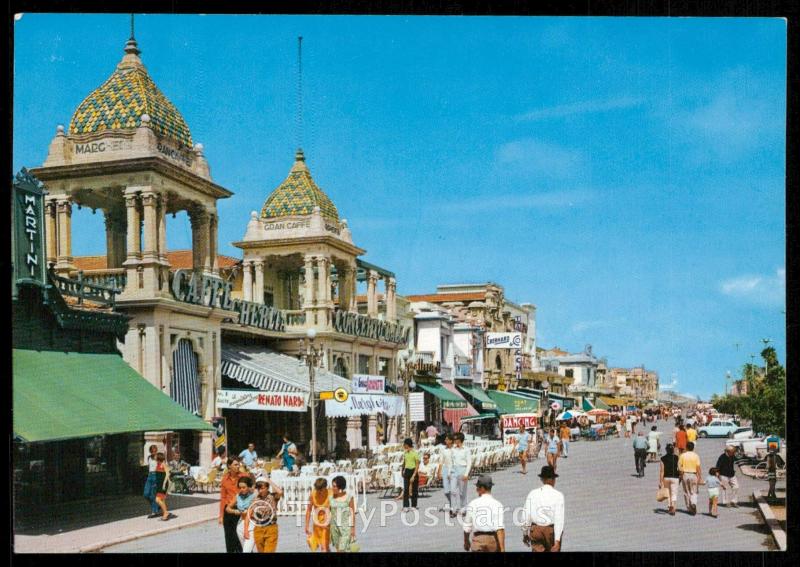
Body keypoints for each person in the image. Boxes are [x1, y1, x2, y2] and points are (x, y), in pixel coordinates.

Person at [522, 466, 564, 552]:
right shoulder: (558, 495)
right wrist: (557, 541)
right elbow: (559, 519)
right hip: (550, 531)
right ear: (553, 479)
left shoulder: (532, 493)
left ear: (542, 479)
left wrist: (525, 533)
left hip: (536, 530)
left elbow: (526, 515)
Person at [462, 475, 505, 552]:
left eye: (477, 488)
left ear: (482, 488)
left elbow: (467, 527)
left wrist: (466, 542)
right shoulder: (497, 504)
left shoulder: (473, 504)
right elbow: (500, 529)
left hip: (478, 540)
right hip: (492, 541)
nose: (476, 490)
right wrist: (502, 549)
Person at [244, 475, 283, 553]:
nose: (260, 491)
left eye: (262, 488)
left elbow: (280, 492)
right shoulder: (255, 499)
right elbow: (248, 515)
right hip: (258, 529)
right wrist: (246, 530)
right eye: (258, 489)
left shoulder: (273, 496)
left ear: (267, 488)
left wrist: (268, 480)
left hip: (271, 528)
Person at [220, 457, 248, 552]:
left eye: (238, 464)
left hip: (240, 510)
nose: (238, 466)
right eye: (235, 464)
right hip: (228, 510)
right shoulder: (224, 479)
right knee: (229, 538)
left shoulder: (244, 476)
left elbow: (250, 491)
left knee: (240, 538)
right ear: (229, 466)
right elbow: (223, 498)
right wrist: (221, 516)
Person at [329, 475, 357, 552]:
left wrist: (353, 529)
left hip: (346, 528)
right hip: (334, 528)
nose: (332, 488)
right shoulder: (330, 498)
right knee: (338, 550)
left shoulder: (349, 498)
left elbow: (352, 514)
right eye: (332, 486)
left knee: (342, 549)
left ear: (340, 487)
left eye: (334, 486)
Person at [228, 476, 256, 552]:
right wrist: (235, 511)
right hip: (240, 524)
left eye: (244, 487)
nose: (241, 489)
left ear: (249, 487)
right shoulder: (238, 496)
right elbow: (228, 508)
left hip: (252, 524)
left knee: (246, 551)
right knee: (246, 549)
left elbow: (255, 511)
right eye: (240, 488)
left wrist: (248, 512)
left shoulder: (254, 496)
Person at [305, 477, 331, 552]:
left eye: (320, 490)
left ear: (325, 487)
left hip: (328, 523)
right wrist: (306, 526)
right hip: (317, 524)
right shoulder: (313, 494)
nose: (318, 492)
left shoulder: (331, 493)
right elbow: (309, 510)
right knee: (325, 547)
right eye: (317, 490)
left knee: (324, 548)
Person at [451, 432, 473, 515]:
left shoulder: (466, 449)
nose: (454, 441)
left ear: (460, 440)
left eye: (455, 439)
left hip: (463, 469)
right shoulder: (453, 449)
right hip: (454, 470)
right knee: (452, 490)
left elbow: (469, 462)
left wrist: (466, 474)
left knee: (462, 491)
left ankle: (463, 508)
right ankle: (453, 509)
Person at [678, 441, 702, 515]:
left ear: (686, 447)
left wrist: (681, 476)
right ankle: (694, 503)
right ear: (693, 448)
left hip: (685, 474)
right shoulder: (696, 456)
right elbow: (698, 467)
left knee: (686, 491)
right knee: (694, 491)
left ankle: (689, 507)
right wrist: (699, 477)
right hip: (693, 474)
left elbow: (679, 467)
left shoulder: (682, 456)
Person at [659, 443, 680, 515]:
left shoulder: (663, 458)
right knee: (674, 492)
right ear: (673, 450)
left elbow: (662, 471)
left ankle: (669, 506)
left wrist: (660, 481)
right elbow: (679, 468)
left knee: (668, 492)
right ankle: (673, 506)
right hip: (675, 477)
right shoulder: (677, 458)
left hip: (666, 477)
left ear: (666, 450)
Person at [153, 452, 175, 521]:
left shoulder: (163, 464)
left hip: (163, 485)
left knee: (157, 499)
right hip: (159, 484)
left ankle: (166, 513)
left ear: (158, 457)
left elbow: (167, 475)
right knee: (162, 500)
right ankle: (165, 513)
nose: (155, 456)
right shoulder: (158, 464)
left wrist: (164, 484)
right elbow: (159, 475)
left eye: (156, 456)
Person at [401, 438, 420, 512]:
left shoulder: (415, 453)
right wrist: (402, 470)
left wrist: (414, 475)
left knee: (414, 489)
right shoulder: (405, 453)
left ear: (407, 445)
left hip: (413, 470)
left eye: (404, 444)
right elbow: (404, 462)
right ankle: (405, 505)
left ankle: (414, 505)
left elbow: (417, 465)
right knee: (405, 489)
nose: (403, 446)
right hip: (407, 471)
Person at [438, 433, 455, 513]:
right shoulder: (443, 450)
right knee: (446, 491)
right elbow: (441, 462)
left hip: (453, 470)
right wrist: (439, 472)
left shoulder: (455, 449)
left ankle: (452, 507)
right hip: (445, 469)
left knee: (452, 489)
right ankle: (452, 502)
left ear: (451, 441)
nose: (445, 440)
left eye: (447, 439)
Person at [143, 444, 161, 519]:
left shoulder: (159, 458)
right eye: (152, 451)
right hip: (150, 476)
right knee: (146, 494)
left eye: (155, 451)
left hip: (156, 476)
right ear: (150, 452)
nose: (154, 453)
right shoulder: (149, 458)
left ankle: (154, 512)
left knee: (153, 495)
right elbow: (148, 467)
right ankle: (157, 506)